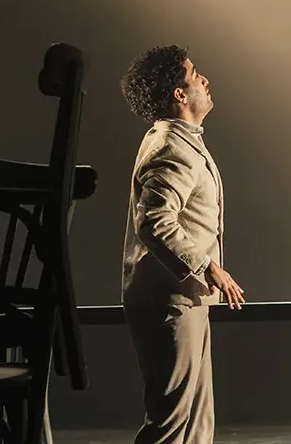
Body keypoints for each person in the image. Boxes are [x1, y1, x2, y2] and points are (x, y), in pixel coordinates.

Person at [119, 44, 245, 444]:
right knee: (173, 421)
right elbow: (154, 221)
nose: (204, 80)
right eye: (195, 75)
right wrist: (210, 267)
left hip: (184, 297)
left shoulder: (181, 140)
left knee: (195, 421)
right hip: (168, 300)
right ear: (179, 93)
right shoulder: (171, 147)